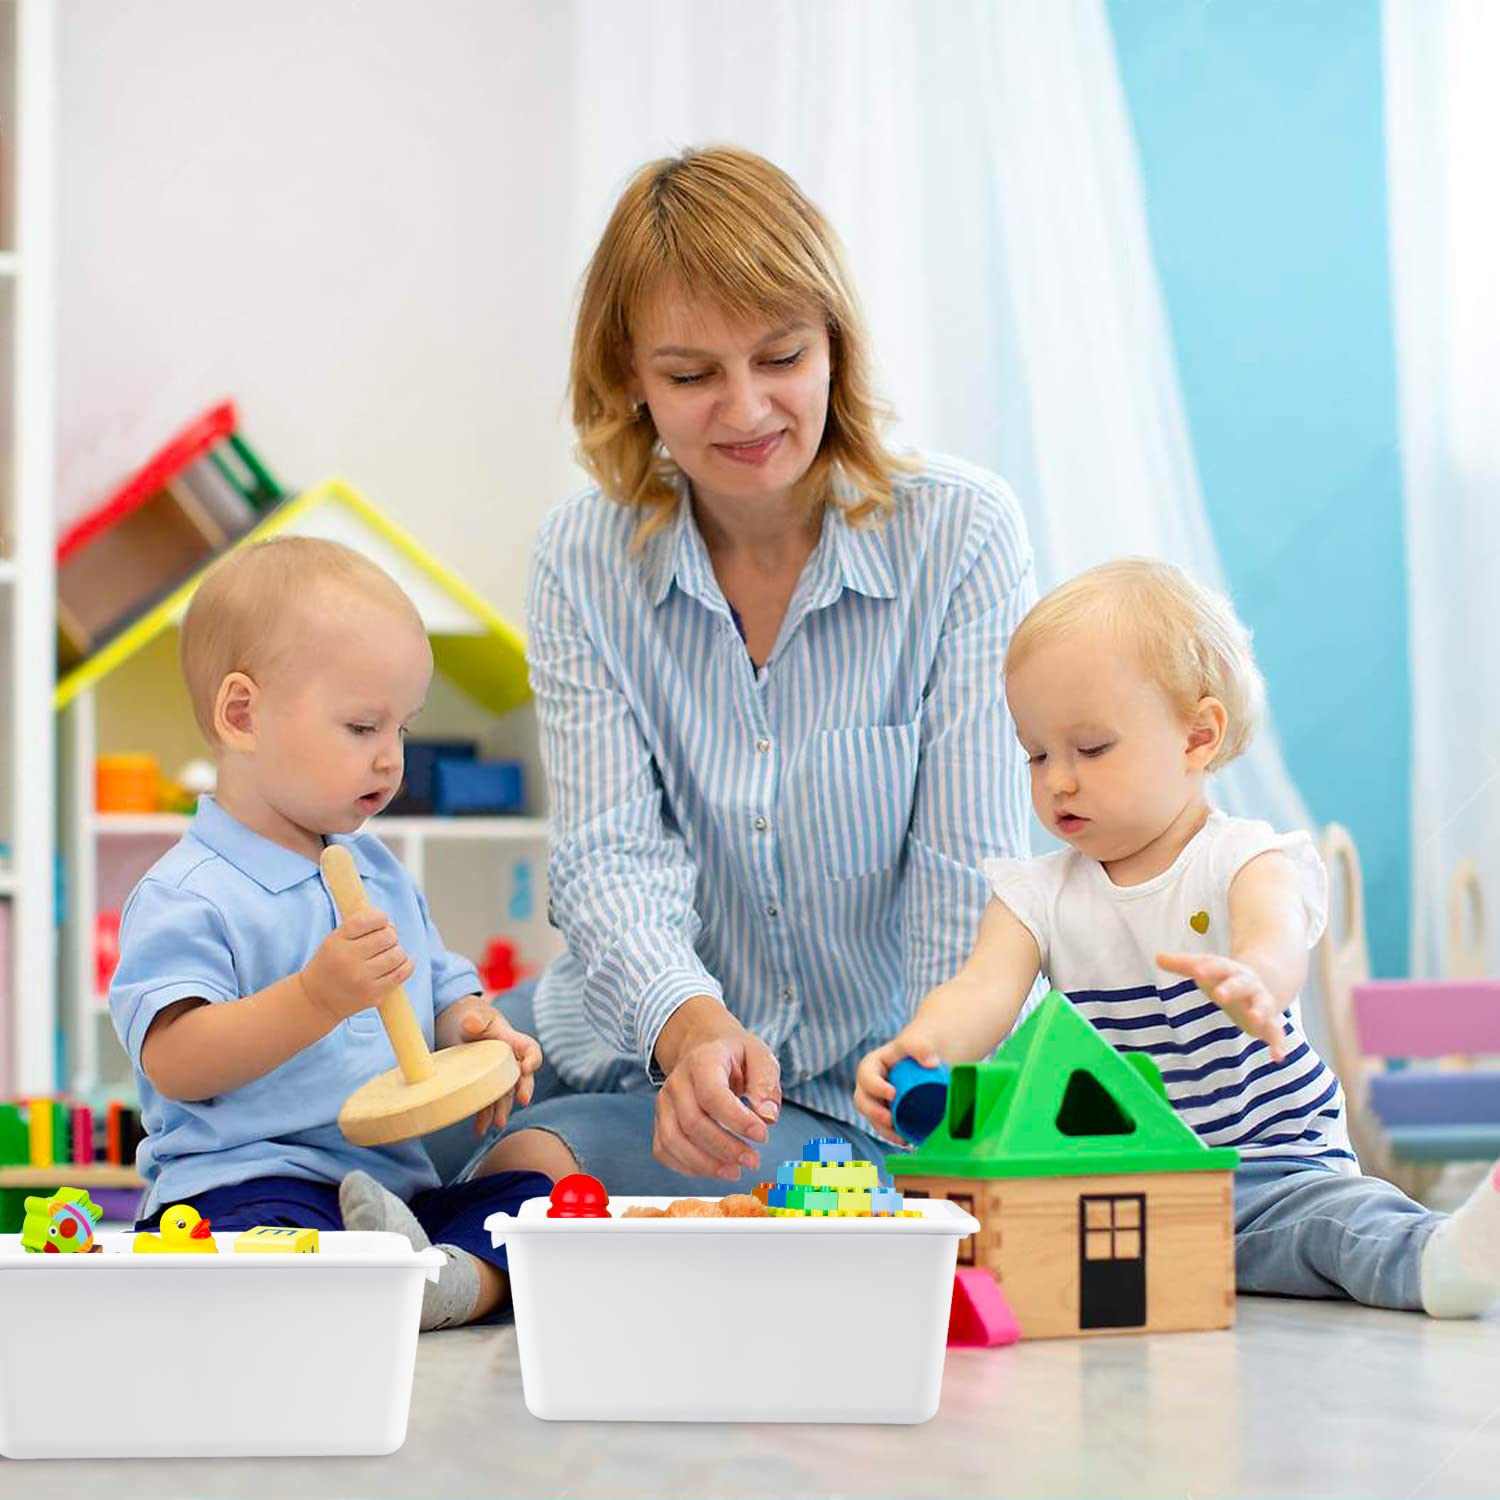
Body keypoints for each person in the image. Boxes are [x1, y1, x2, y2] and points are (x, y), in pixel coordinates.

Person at [466, 144, 1036, 1197]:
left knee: (550, 1165)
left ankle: (478, 1231)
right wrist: (688, 1024)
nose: (745, 410)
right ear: (630, 381)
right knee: (362, 1122)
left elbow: (972, 884)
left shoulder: (961, 535)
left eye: (780, 358)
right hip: (624, 1045)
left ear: (836, 352)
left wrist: (933, 1110)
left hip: (856, 1101)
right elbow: (607, 855)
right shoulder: (581, 559)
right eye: (690, 374)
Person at [855, 557, 1500, 1316]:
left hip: (1267, 1168)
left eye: (1090, 749)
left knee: (1333, 1225)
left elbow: (1277, 930)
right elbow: (983, 988)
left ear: (1198, 737)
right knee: (992, 1229)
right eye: (1036, 754)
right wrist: (926, 1047)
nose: (1058, 780)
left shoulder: (1240, 856)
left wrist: (1256, 976)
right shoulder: (1037, 893)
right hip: (1121, 1178)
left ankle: (1438, 1262)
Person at [107, 536, 544, 1329]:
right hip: (247, 1181)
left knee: (531, 1197)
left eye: (402, 731)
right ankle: (384, 1277)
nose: (390, 763)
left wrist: (475, 1027)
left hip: (395, 1184)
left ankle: (439, 1283)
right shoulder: (188, 894)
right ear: (243, 716)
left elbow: (439, 985)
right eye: (361, 727)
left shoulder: (374, 869)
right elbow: (176, 1061)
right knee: (258, 1247)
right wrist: (315, 996)